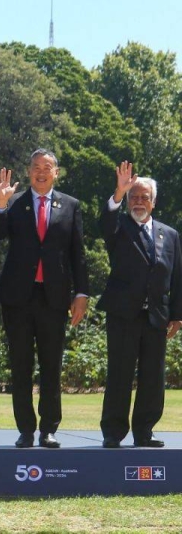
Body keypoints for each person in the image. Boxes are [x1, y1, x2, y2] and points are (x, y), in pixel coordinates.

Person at [0, 149, 88, 448]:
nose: (41, 172)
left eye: (47, 167)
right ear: (29, 172)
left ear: (56, 172)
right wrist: (1, 203)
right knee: (20, 365)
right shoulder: (15, 204)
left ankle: (48, 429)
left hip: (54, 297)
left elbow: (78, 254)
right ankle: (26, 430)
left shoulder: (70, 206)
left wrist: (81, 293)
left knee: (51, 365)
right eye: (35, 167)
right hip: (18, 298)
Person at [97, 161, 182, 448]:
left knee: (153, 377)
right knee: (120, 373)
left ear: (153, 202)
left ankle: (144, 431)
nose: (138, 201)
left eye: (144, 197)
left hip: (157, 316)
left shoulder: (169, 234)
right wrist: (118, 194)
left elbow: (177, 276)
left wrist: (177, 315)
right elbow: (105, 221)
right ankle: (113, 432)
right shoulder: (119, 227)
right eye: (134, 196)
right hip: (123, 314)